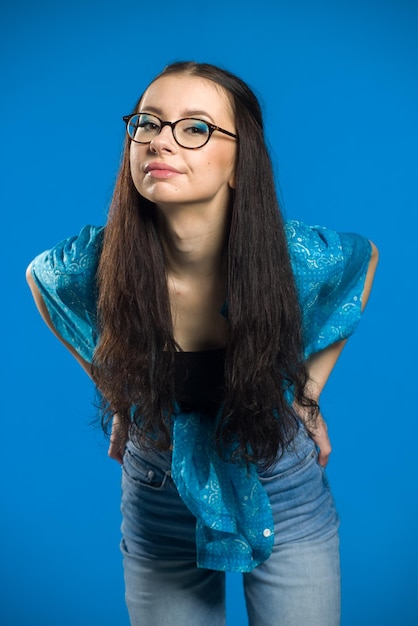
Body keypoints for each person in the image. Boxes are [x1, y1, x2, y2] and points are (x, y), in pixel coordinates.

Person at [26, 61, 378, 626]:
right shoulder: (97, 263)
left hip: (280, 481)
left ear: (241, 162)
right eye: (148, 122)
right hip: (157, 489)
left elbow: (362, 263)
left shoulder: (289, 259)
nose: (161, 140)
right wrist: (122, 390)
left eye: (195, 128)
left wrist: (306, 396)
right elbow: (39, 281)